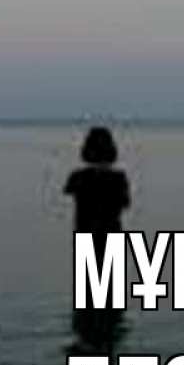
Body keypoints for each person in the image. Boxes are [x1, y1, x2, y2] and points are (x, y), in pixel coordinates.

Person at [64, 126, 131, 341]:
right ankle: (108, 337)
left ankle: (86, 335)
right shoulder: (119, 178)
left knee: (86, 294)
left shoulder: (77, 177)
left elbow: (69, 192)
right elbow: (125, 204)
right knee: (112, 295)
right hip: (111, 237)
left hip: (85, 237)